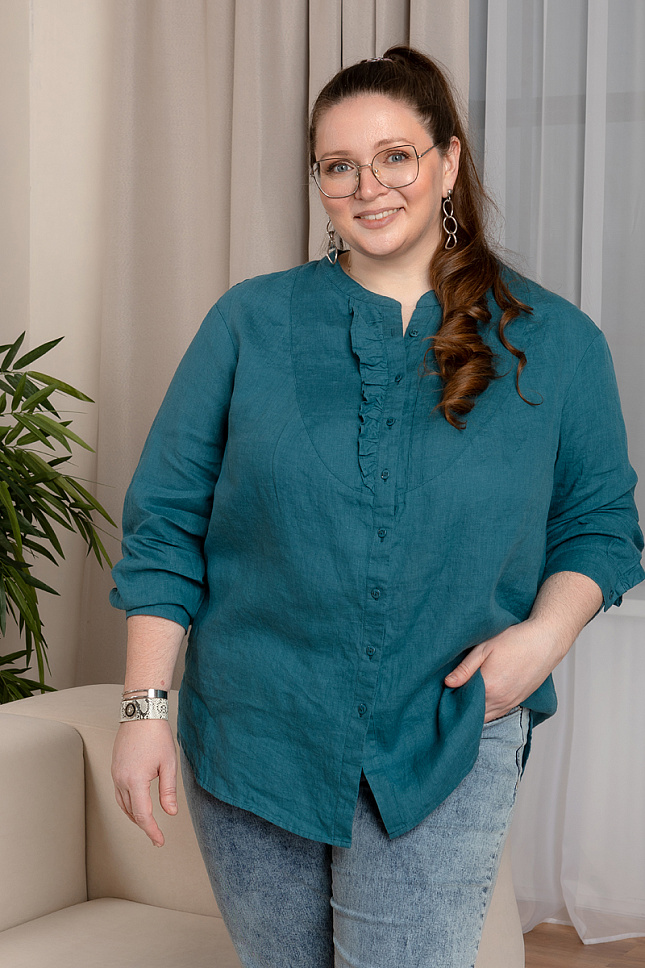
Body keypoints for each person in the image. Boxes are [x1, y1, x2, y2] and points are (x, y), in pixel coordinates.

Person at [110, 46, 644, 968]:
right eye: (338, 165)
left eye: (395, 156)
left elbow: (599, 524)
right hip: (255, 727)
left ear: (447, 160)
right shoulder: (246, 322)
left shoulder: (557, 343)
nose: (368, 187)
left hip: (449, 731)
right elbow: (166, 524)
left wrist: (541, 641)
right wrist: (143, 709)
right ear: (317, 180)